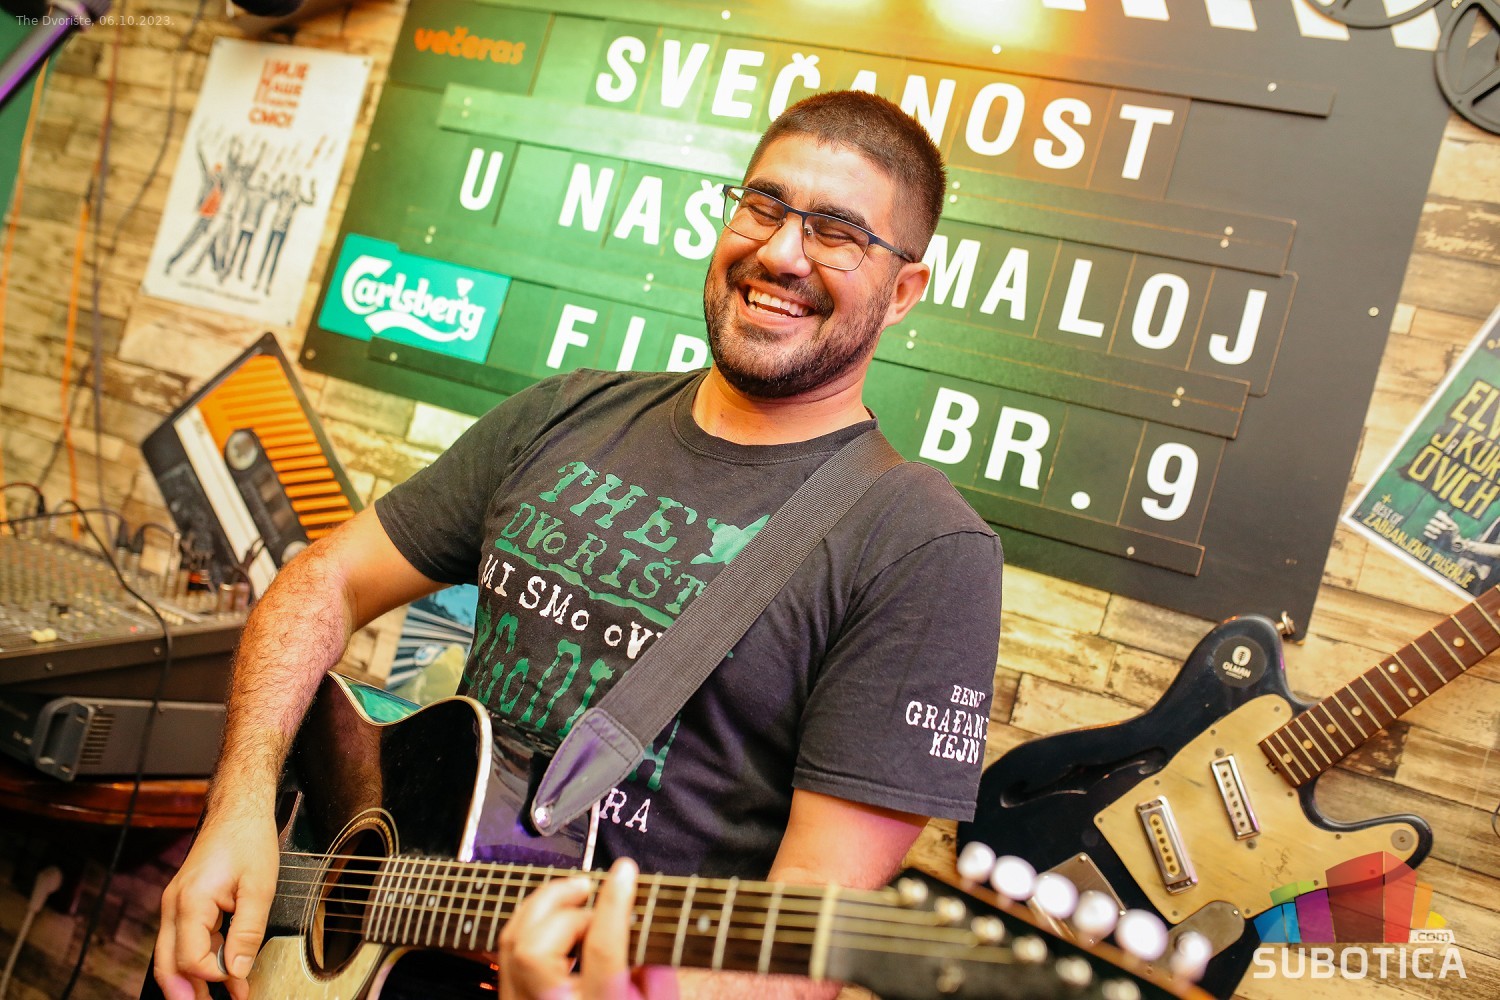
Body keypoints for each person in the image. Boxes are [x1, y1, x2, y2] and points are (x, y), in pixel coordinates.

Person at [152, 90, 1003, 1000]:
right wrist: (239, 803)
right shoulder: (566, 413)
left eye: (838, 233)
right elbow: (326, 581)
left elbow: (798, 966)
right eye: (764, 205)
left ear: (903, 290)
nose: (782, 252)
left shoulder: (924, 546)